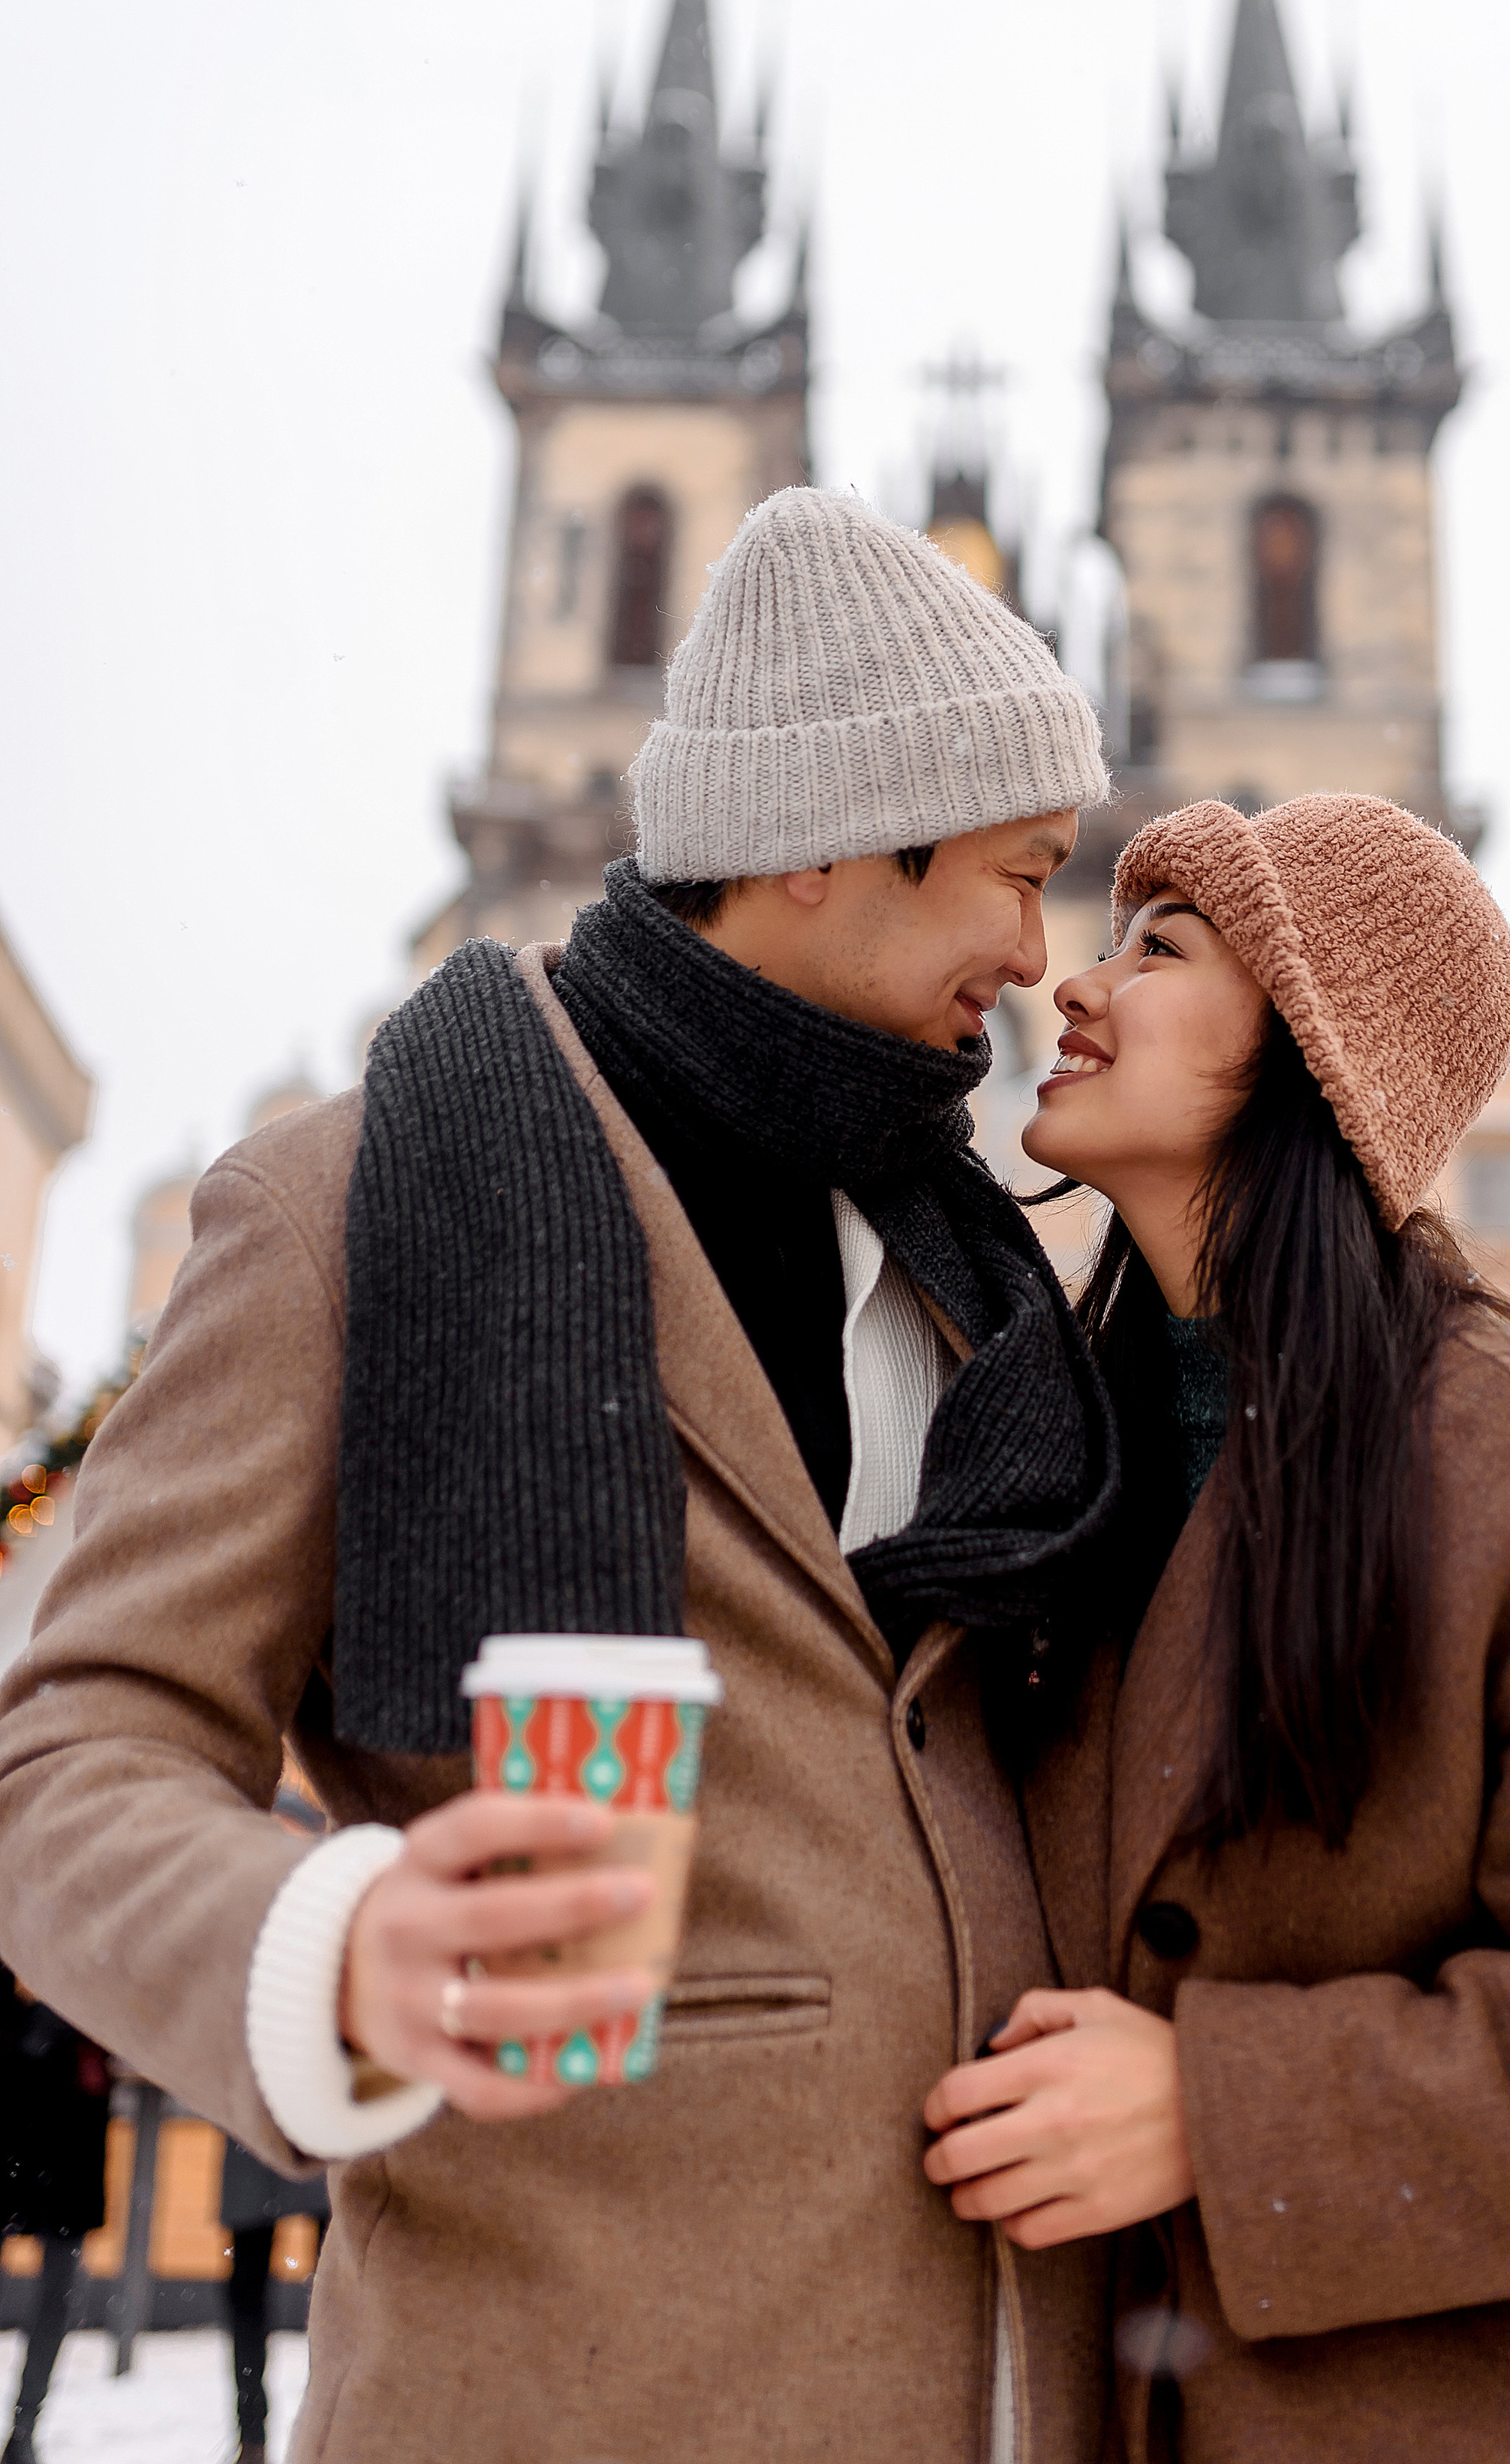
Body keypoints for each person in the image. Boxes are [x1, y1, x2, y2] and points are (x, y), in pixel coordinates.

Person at [0, 488, 1120, 2464]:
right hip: (567, 2392)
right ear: (831, 842)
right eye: (1016, 877)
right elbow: (70, 1761)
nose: (1038, 955)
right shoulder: (345, 1198)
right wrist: (329, 1944)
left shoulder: (997, 1270)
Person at [922, 792, 1510, 2462]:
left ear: (1306, 1043)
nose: (1074, 984)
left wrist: (1222, 2116)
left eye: (1160, 948)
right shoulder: (1077, 1446)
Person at [2, 1962, 110, 2464]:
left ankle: (25, 2430)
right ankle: (24, 2431)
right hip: (17, 2121)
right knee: (55, 2293)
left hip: (69, 2134)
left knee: (57, 2293)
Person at [219, 2136, 329, 2464]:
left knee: (335, 2295)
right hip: (296, 2129)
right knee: (332, 2293)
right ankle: (256, 2436)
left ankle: (312, 2432)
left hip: (305, 2127)